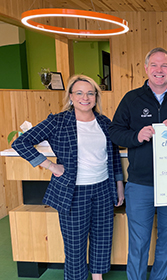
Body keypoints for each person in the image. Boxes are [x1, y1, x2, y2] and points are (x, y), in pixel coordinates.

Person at [12, 74, 125, 280]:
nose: (85, 97)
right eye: (79, 93)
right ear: (71, 96)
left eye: (90, 93)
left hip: (102, 189)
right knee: (75, 243)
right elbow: (21, 143)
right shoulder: (57, 121)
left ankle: (97, 277)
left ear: (96, 97)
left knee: (102, 237)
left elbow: (114, 155)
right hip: (73, 192)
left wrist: (118, 184)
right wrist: (50, 165)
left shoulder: (104, 122)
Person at [109, 47, 167, 280]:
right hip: (140, 184)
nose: (159, 70)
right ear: (146, 68)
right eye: (155, 65)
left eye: (164, 66)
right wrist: (136, 137)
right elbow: (115, 133)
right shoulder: (131, 99)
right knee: (138, 241)